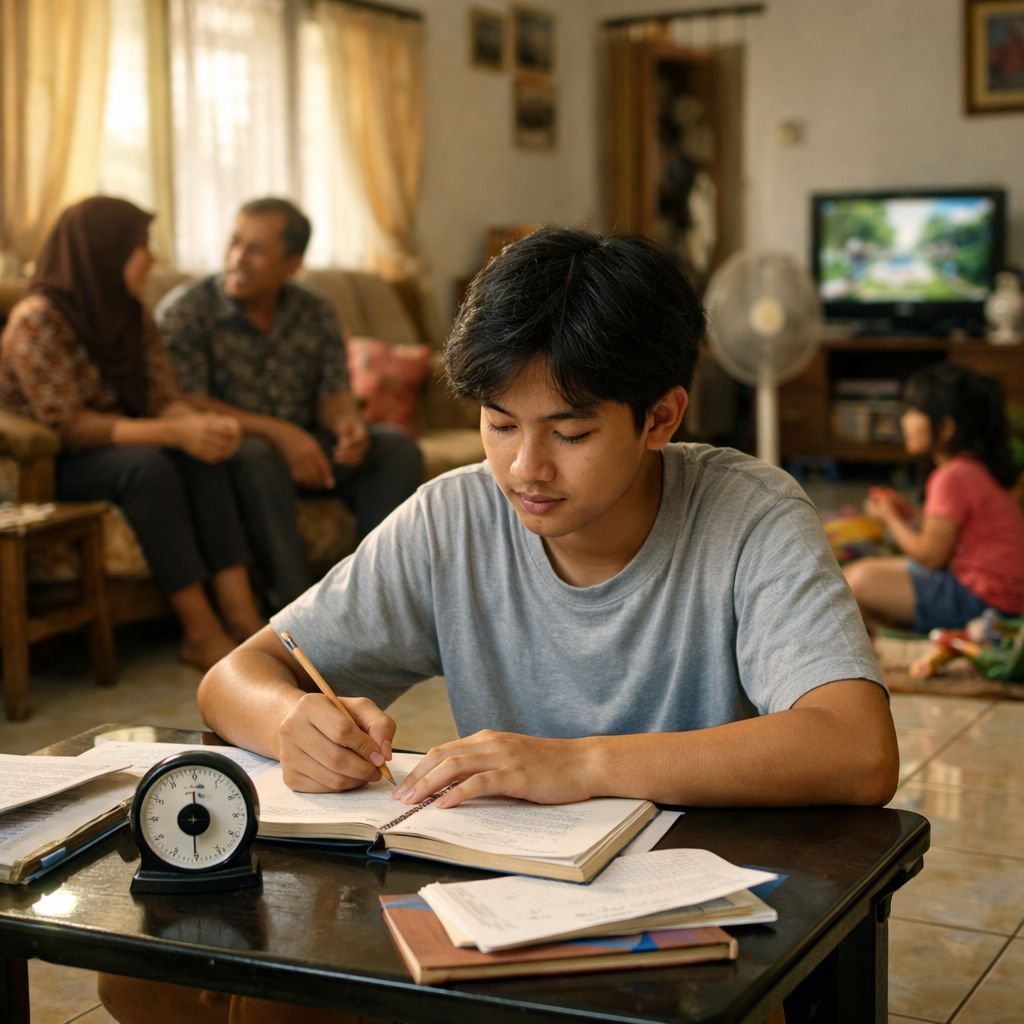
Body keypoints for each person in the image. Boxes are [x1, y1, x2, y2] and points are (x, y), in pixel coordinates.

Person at [98, 228, 898, 1024]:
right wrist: (290, 721)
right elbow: (231, 677)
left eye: (571, 432)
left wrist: (579, 764)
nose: (524, 468)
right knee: (152, 981)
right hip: (499, 908)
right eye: (499, 422)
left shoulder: (750, 517)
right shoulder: (454, 517)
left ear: (660, 418)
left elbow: (856, 749)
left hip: (682, 917)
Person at [0, 196, 264, 671]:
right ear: (103, 250)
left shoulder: (131, 313)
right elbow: (67, 425)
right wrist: (173, 433)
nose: (151, 257)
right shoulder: (37, 319)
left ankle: (244, 619)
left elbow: (164, 397)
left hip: (130, 442)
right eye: (140, 244)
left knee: (203, 453)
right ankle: (201, 633)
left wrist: (199, 426)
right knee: (149, 466)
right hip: (53, 461)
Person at [156, 197, 424, 609]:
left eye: (256, 249)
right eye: (235, 242)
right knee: (259, 455)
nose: (237, 258)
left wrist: (347, 425)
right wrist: (282, 434)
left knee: (395, 447)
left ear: (292, 263)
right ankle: (299, 610)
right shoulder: (186, 310)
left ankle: (373, 597)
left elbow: (334, 391)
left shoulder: (314, 310)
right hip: (234, 454)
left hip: (307, 448)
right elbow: (185, 400)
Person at [844, 362, 1024, 633]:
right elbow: (949, 535)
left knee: (855, 581)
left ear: (946, 428)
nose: (904, 420)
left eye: (914, 411)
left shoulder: (951, 476)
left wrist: (890, 518)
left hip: (984, 600)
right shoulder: (971, 468)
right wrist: (913, 516)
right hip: (1001, 595)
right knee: (864, 571)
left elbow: (929, 556)